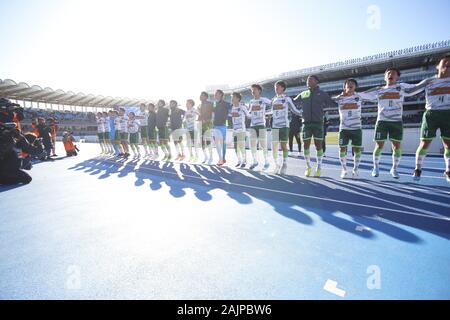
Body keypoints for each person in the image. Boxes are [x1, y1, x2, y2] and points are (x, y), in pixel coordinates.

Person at [411, 54, 450, 183]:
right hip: (431, 114)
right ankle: (418, 168)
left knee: (448, 145)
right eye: (445, 62)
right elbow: (412, 90)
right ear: (437, 66)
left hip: (448, 114)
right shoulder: (429, 81)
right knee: (424, 143)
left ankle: (448, 170)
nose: (448, 64)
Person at [294, 75, 337, 177]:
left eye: (310, 80)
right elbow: (293, 101)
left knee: (319, 145)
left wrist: (344, 97)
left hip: (318, 123)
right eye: (307, 80)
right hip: (306, 124)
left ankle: (318, 168)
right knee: (305, 146)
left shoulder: (322, 94)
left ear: (316, 82)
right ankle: (308, 167)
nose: (308, 81)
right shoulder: (303, 93)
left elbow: (333, 103)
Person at [334, 79, 372, 179]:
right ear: (344, 87)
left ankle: (355, 170)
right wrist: (340, 96)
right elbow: (332, 100)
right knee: (342, 149)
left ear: (355, 87)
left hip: (356, 128)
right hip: (344, 128)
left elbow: (373, 95)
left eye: (353, 84)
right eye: (348, 84)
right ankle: (344, 169)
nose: (350, 85)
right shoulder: (340, 98)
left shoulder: (359, 96)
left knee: (357, 150)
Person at [271, 81, 302, 175]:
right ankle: (277, 165)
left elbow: (294, 109)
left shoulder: (287, 98)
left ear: (283, 88)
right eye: (275, 86)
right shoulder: (273, 99)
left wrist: (303, 114)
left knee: (283, 146)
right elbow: (272, 112)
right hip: (275, 126)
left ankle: (284, 164)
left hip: (284, 125)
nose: (276, 88)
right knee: (274, 147)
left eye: (278, 86)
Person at [247, 84, 272, 170]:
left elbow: (273, 104)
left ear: (259, 91)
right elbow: (249, 113)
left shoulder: (264, 100)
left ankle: (266, 162)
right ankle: (255, 161)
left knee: (262, 144)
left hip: (261, 125)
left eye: (254, 89)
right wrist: (247, 114)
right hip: (253, 125)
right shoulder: (250, 101)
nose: (253, 91)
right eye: (251, 90)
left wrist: (267, 112)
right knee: (252, 144)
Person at [213, 90, 232, 166]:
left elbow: (232, 109)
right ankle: (220, 158)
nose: (215, 95)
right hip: (215, 125)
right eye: (214, 94)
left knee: (222, 143)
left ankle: (223, 158)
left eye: (216, 93)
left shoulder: (226, 103)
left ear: (221, 94)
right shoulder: (214, 104)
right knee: (216, 142)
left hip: (223, 125)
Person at [230, 92, 248, 168]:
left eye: (233, 97)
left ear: (238, 99)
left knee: (241, 146)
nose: (232, 98)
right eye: (232, 97)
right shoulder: (232, 108)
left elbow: (248, 115)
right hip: (235, 130)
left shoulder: (243, 107)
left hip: (241, 130)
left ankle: (244, 160)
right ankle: (239, 160)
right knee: (235, 146)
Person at [198, 92, 214, 164]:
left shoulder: (210, 104)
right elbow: (199, 115)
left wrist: (209, 121)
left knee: (208, 141)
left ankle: (211, 156)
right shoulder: (199, 105)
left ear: (206, 97)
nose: (200, 97)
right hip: (201, 125)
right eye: (200, 95)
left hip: (208, 124)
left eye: (202, 96)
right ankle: (205, 156)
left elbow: (213, 114)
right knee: (202, 142)